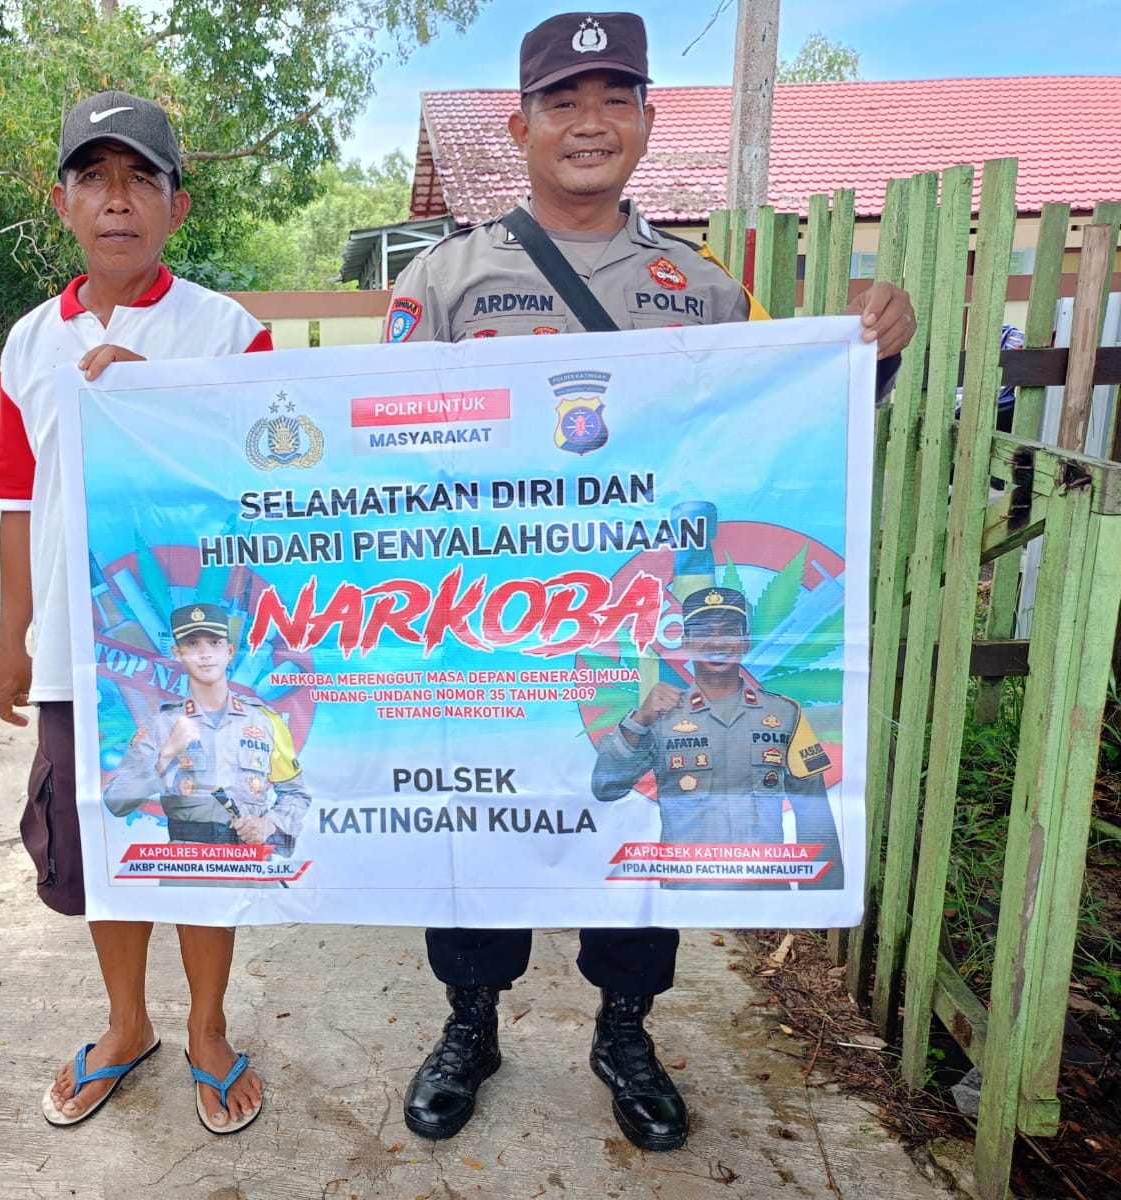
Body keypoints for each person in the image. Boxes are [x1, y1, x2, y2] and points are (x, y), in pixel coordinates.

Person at [384, 12, 917, 1150]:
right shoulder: (446, 279)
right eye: (563, 102)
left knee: (646, 831)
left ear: (646, 121)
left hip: (645, 623)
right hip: (493, 629)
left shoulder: (704, 289)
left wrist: (872, 353)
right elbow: (377, 445)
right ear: (518, 125)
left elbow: (786, 425)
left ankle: (625, 1028)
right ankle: (469, 1022)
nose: (589, 123)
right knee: (481, 828)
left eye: (613, 98)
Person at [0, 90, 274, 1136]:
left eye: (139, 178)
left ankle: (206, 1025)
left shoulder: (227, 333)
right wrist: (12, 637)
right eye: (93, 179)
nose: (117, 201)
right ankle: (125, 1023)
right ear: (59, 203)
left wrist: (170, 401)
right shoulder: (28, 344)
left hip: (192, 652)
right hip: (73, 648)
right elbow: (16, 504)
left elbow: (271, 482)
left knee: (196, 833)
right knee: (100, 842)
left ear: (176, 206)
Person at [591, 587, 845, 889]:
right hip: (685, 892)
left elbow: (813, 811)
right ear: (685, 643)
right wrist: (639, 720)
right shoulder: (659, 715)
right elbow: (605, 787)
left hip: (762, 890)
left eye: (729, 631)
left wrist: (820, 899)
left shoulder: (786, 713)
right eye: (703, 632)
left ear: (745, 640)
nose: (717, 641)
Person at [104, 602, 311, 862]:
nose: (205, 654)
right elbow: (116, 801)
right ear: (177, 652)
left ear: (230, 651)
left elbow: (296, 794)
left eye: (214, 643)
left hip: (251, 867)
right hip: (187, 870)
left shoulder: (265, 721)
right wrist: (166, 754)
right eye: (192, 644)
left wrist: (269, 824)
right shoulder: (161, 724)